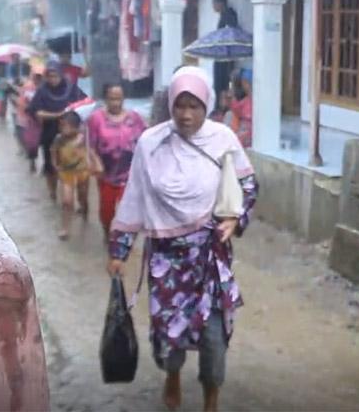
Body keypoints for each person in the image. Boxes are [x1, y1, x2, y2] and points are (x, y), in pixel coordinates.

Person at [106, 66, 258, 412]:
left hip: (209, 258)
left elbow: (249, 186)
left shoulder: (223, 139)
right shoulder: (151, 143)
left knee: (214, 336)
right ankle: (172, 378)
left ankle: (211, 398)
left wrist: (235, 219)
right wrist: (120, 250)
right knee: (168, 335)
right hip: (165, 262)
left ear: (206, 104)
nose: (186, 115)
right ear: (170, 104)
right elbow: (134, 198)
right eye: (180, 106)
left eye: (194, 106)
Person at [87, 83, 147, 241]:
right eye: (112, 99)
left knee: (129, 211)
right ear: (105, 99)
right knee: (107, 212)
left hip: (130, 174)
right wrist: (96, 161)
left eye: (119, 99)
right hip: (106, 173)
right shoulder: (96, 119)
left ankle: (125, 242)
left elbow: (147, 140)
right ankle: (107, 233)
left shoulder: (135, 118)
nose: (115, 103)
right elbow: (91, 146)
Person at [28, 61, 87, 201]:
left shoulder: (71, 88)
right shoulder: (42, 91)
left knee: (75, 163)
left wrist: (73, 115)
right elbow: (36, 111)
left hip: (72, 134)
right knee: (51, 166)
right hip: (50, 132)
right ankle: (53, 193)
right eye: (49, 76)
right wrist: (57, 115)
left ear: (61, 75)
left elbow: (85, 103)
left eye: (55, 76)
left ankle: (78, 199)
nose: (52, 79)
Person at [51, 110, 95, 240]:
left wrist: (92, 163)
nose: (64, 129)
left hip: (82, 172)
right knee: (67, 201)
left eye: (67, 126)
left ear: (76, 127)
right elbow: (53, 151)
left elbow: (90, 152)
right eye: (62, 126)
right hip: (66, 173)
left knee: (83, 197)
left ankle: (84, 212)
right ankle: (65, 228)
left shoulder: (82, 138)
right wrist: (55, 165)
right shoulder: (59, 139)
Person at [212, 0, 239, 109]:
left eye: (214, 3)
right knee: (219, 84)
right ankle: (220, 108)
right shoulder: (224, 16)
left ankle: (223, 108)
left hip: (226, 58)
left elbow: (231, 34)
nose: (213, 6)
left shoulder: (229, 15)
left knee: (223, 84)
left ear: (220, 3)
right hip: (221, 57)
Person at [229, 68, 252, 148]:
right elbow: (236, 110)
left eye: (245, 82)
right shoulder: (245, 100)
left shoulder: (256, 101)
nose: (243, 85)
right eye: (243, 82)